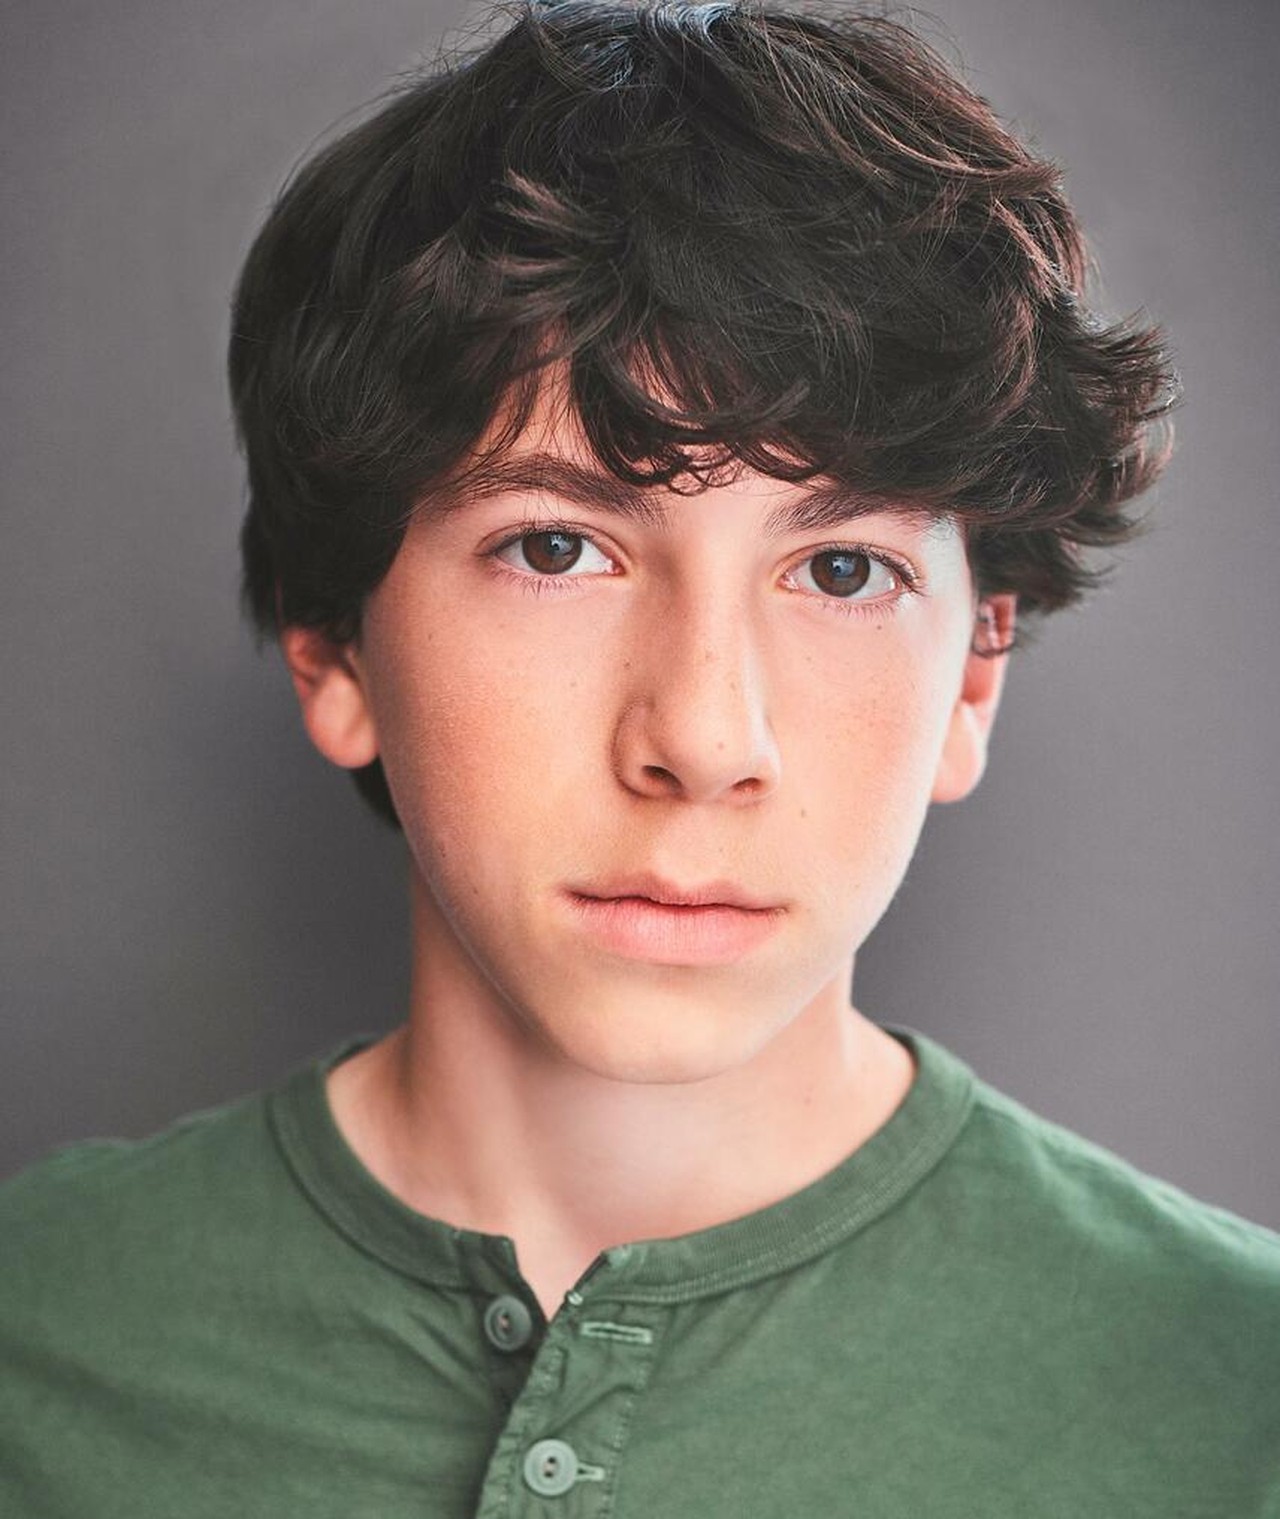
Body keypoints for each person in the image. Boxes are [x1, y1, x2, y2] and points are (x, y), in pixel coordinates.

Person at [2, 2, 1277, 1514]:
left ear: (973, 682)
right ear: (333, 648)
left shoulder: (1237, 1402)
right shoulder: (39, 1340)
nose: (705, 738)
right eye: (556, 548)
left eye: (845, 570)